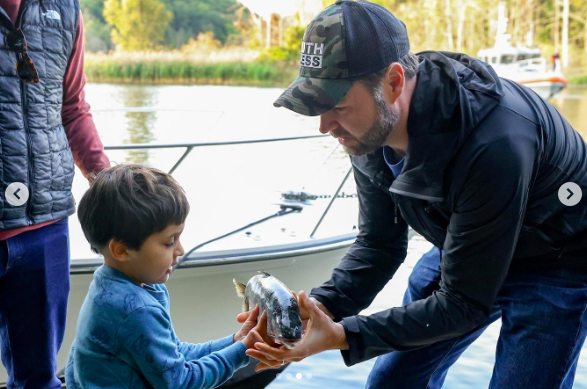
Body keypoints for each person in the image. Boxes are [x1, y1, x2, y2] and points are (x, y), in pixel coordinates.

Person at [245, 1, 587, 388]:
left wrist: (343, 336)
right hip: (467, 242)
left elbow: (463, 304)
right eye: (318, 107)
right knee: (391, 383)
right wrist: (314, 311)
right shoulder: (369, 130)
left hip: (557, 258)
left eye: (337, 105)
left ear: (393, 82)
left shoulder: (495, 141)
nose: (325, 126)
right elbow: (379, 245)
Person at [65, 164, 267, 388]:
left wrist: (236, 341)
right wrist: (241, 352)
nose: (180, 250)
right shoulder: (134, 309)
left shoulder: (110, 282)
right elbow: (179, 382)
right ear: (121, 250)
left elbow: (174, 354)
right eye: (169, 242)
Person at [0, 1, 110, 387]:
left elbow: (73, 108)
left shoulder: (65, 8)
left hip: (45, 227)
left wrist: (110, 184)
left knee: (40, 379)